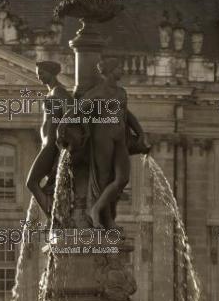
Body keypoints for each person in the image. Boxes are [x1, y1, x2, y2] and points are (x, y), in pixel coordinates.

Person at [82, 57, 149, 229]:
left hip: (120, 138)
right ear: (111, 71)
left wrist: (140, 132)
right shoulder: (97, 92)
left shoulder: (121, 92)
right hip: (103, 136)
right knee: (104, 178)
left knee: (122, 178)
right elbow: (77, 109)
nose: (122, 71)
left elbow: (126, 114)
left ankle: (96, 208)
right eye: (119, 67)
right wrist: (62, 126)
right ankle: (105, 217)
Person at [26, 61, 72, 217]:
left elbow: (71, 111)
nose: (39, 75)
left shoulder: (58, 91)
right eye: (38, 72)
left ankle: (53, 217)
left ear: (52, 72)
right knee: (47, 188)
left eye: (42, 72)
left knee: (31, 182)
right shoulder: (51, 92)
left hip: (51, 146)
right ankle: (55, 216)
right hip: (47, 145)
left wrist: (61, 129)